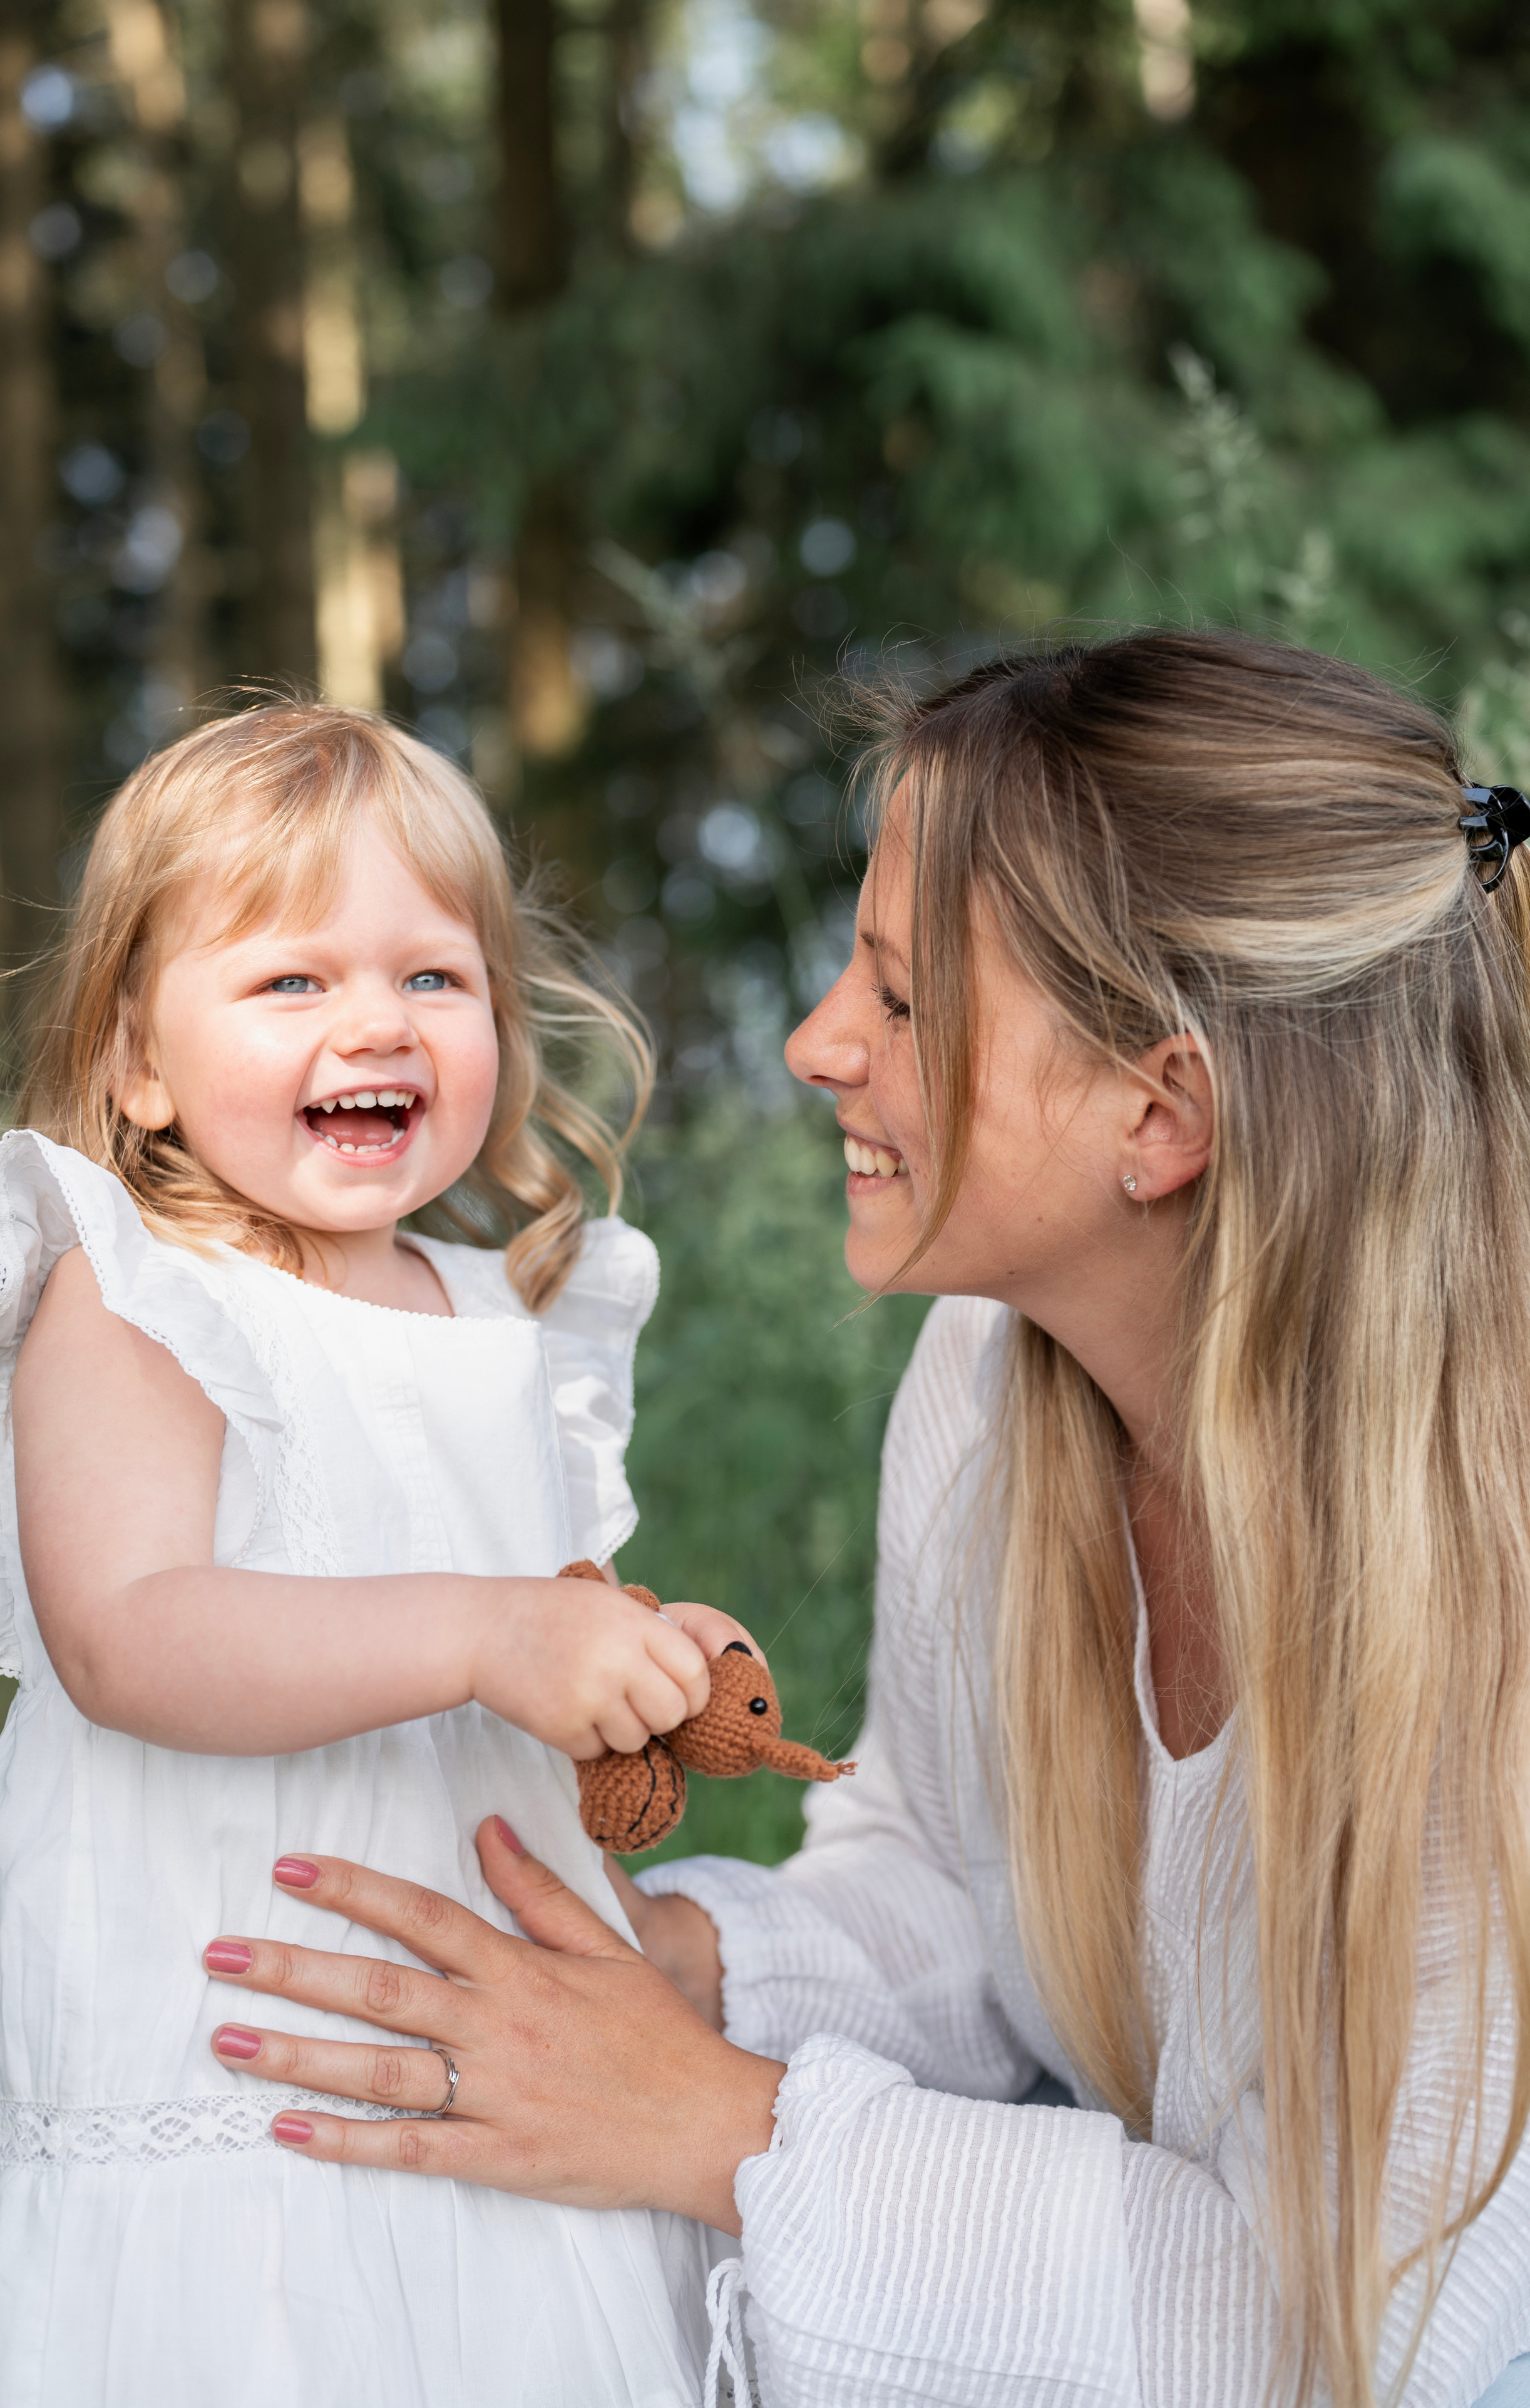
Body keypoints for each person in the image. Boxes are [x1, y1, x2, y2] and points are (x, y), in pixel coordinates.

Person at [197, 633, 1530, 2408]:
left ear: (1163, 1111)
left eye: (903, 1002)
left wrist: (730, 2132)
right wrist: (672, 1968)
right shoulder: (995, 1381)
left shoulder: (1491, 1611)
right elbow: (957, 1890)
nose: (818, 1043)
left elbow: (1342, 2326)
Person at [0, 702, 760, 2406]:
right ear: (139, 1061)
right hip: (228, 2087)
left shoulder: (500, 1314)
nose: (374, 1020)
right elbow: (131, 1633)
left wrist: (633, 1649)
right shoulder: (138, 1298)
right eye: (292, 981)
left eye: (433, 979)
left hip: (492, 2064)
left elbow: (539, 1614)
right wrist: (483, 1634)